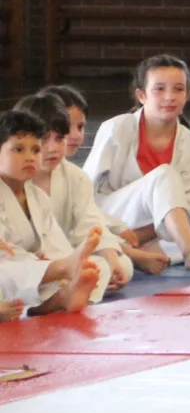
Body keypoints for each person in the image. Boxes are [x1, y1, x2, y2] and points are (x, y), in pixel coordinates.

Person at [83, 56, 190, 273]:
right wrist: (114, 232)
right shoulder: (116, 128)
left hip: (154, 230)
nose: (169, 97)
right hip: (112, 217)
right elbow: (86, 193)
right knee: (164, 175)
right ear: (141, 95)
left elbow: (185, 210)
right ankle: (189, 252)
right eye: (159, 89)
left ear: (187, 95)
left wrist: (138, 237)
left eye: (178, 89)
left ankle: (129, 252)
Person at [15, 92, 142, 284]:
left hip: (60, 256)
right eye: (44, 139)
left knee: (120, 265)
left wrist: (112, 261)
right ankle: (71, 285)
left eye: (59, 138)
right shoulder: (11, 179)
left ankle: (75, 283)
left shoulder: (75, 177)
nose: (53, 148)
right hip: (20, 260)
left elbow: (91, 225)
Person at [0, 109, 109, 314]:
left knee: (96, 266)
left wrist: (62, 264)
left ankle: (62, 297)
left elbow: (56, 245)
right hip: (11, 270)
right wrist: (55, 267)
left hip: (35, 272)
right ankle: (59, 287)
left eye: (35, 150)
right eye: (18, 149)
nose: (29, 157)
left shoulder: (38, 198)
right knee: (8, 272)